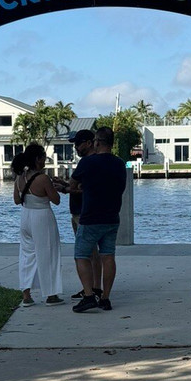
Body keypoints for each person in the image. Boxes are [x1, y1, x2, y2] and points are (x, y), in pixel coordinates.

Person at [67, 126, 126, 312]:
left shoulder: (88, 163)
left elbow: (72, 184)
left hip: (90, 217)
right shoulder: (119, 163)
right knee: (108, 256)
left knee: (81, 256)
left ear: (96, 142)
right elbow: (121, 188)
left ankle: (89, 295)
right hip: (112, 217)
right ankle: (105, 298)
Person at [13, 142, 63, 307]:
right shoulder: (43, 178)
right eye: (43, 158)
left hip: (26, 216)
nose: (45, 161)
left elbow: (16, 200)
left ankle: (26, 295)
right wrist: (55, 187)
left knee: (27, 255)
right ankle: (51, 294)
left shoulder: (20, 177)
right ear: (37, 159)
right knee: (48, 254)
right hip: (42, 216)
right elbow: (56, 200)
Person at [53, 129, 102, 299]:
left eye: (78, 144)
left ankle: (93, 289)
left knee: (88, 253)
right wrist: (66, 184)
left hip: (84, 214)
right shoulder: (90, 162)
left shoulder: (88, 163)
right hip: (78, 212)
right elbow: (81, 187)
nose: (76, 148)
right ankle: (92, 287)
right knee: (90, 253)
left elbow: (88, 190)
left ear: (89, 143)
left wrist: (66, 189)